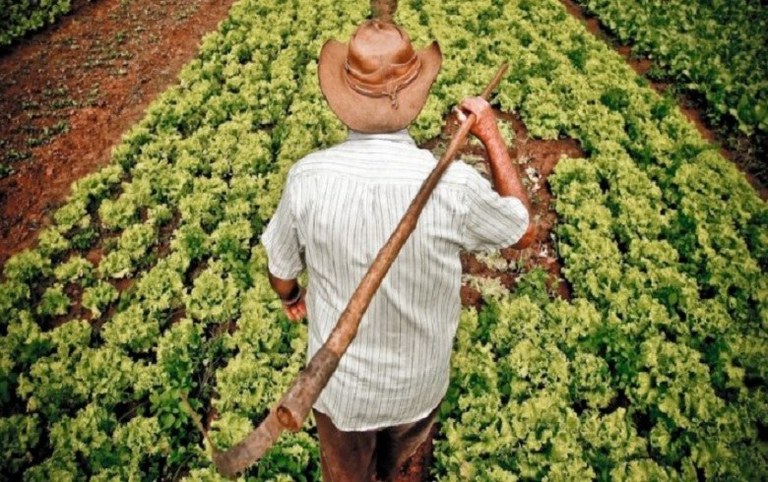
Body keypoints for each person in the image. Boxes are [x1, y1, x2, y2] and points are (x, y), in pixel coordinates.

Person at [261, 18, 535, 482]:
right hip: (417, 388)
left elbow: (281, 270)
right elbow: (521, 230)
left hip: (341, 394)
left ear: (343, 98)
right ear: (416, 96)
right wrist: (489, 133)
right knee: (400, 463)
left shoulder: (307, 180)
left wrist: (291, 297)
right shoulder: (455, 185)